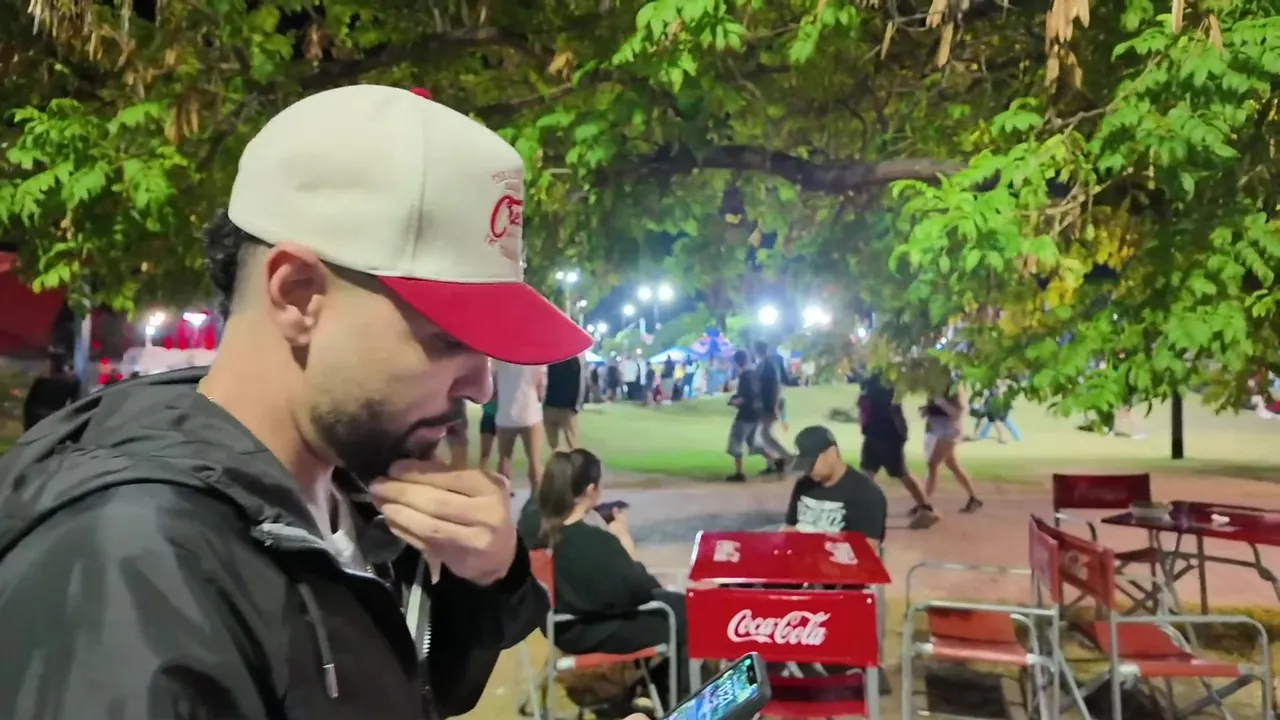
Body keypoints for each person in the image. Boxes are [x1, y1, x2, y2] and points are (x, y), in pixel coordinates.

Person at [0, 85, 593, 719]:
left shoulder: (349, 490)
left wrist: (487, 577)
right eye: (448, 340)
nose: (480, 387)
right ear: (297, 293)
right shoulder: (131, 566)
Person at [533, 449, 690, 707]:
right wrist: (625, 545)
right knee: (681, 614)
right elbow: (642, 590)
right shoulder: (593, 540)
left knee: (672, 605)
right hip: (588, 631)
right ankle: (679, 704)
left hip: (563, 627)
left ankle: (655, 692)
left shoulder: (544, 531)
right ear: (591, 489)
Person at [857, 374, 938, 529]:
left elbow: (866, 412)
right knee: (869, 473)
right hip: (882, 435)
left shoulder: (874, 390)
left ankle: (926, 509)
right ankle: (860, 511)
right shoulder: (887, 389)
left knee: (899, 473)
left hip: (883, 436)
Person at [785, 426, 888, 542]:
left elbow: (868, 548)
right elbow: (790, 527)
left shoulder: (866, 494)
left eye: (811, 463)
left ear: (832, 453)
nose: (808, 470)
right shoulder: (804, 485)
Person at [922, 381, 983, 513]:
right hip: (937, 429)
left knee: (933, 464)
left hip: (949, 431)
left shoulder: (953, 388)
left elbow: (958, 412)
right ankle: (974, 498)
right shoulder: (933, 387)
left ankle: (923, 503)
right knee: (953, 465)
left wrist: (941, 402)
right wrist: (927, 409)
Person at [725, 349, 781, 482]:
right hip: (757, 413)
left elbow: (747, 396)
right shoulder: (755, 374)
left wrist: (735, 401)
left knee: (736, 442)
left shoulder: (745, 376)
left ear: (737, 362)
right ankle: (775, 461)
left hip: (746, 414)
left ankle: (739, 473)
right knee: (753, 443)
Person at [495, 360, 548, 490]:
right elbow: (540, 384)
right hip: (530, 411)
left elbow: (494, 381)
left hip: (506, 412)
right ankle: (536, 497)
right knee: (534, 461)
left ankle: (503, 496)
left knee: (504, 459)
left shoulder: (500, 355)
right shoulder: (537, 355)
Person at [752, 341, 790, 472]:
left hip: (768, 405)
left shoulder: (767, 366)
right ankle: (773, 463)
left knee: (764, 435)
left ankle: (787, 458)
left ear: (756, 351)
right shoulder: (764, 365)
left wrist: (775, 406)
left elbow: (776, 386)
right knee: (761, 436)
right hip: (764, 405)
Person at [21, 351, 81, 431]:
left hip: (38, 419)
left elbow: (29, 404)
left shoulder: (42, 381)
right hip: (54, 419)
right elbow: (75, 403)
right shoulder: (71, 382)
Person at [544, 352, 587, 451]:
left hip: (551, 405)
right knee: (573, 445)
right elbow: (581, 382)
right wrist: (578, 405)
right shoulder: (576, 357)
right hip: (568, 408)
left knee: (554, 446)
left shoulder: (549, 356)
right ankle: (574, 460)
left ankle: (558, 460)